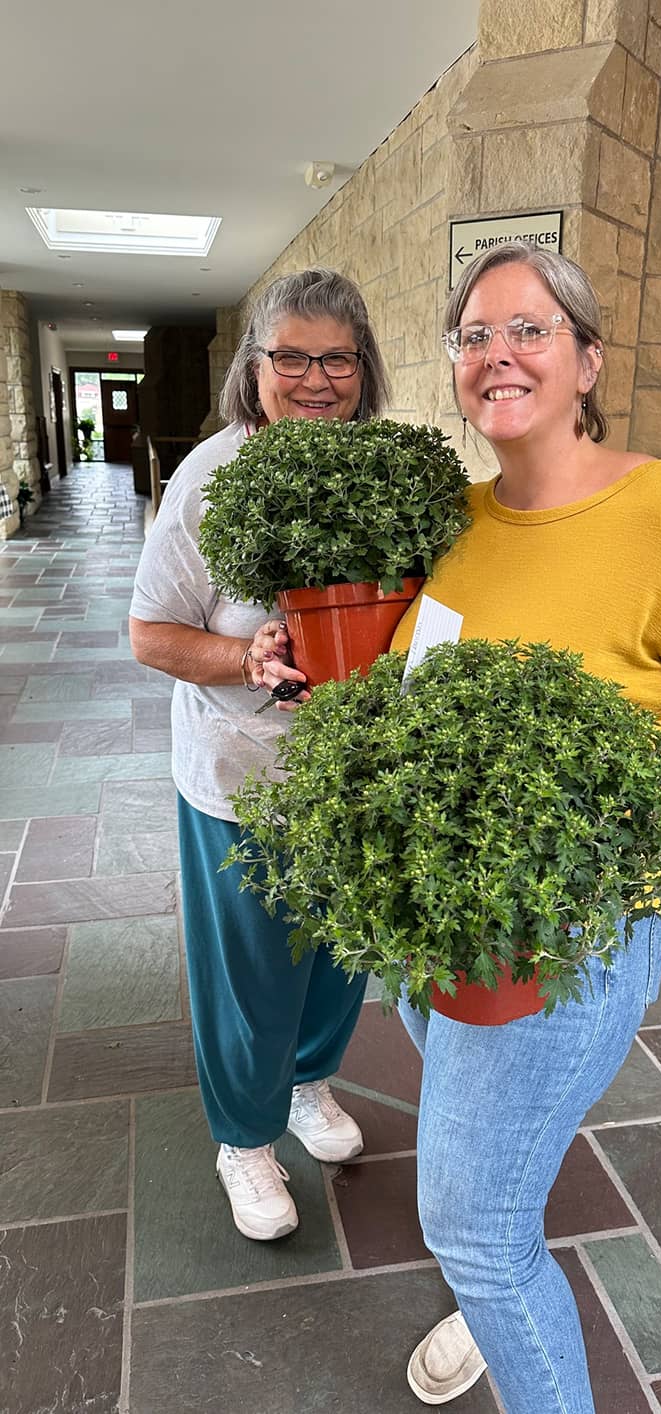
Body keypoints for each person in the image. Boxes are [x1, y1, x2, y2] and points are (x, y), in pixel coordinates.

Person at [390, 243, 661, 1411]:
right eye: (474, 335)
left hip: (568, 930)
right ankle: (494, 1275)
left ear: (588, 357)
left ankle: (491, 1276)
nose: (498, 355)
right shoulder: (456, 520)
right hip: (435, 916)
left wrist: (598, 773)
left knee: (470, 1223)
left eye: (530, 329)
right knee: (480, 1150)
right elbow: (412, 677)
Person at [129, 269, 390, 1242]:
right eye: (292, 356)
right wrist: (245, 654)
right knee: (250, 969)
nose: (315, 378)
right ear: (255, 366)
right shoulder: (210, 477)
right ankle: (242, 1137)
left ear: (363, 369)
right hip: (242, 774)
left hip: (350, 773)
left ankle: (308, 1086)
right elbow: (152, 634)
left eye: (336, 357)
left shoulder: (379, 473)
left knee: (334, 956)